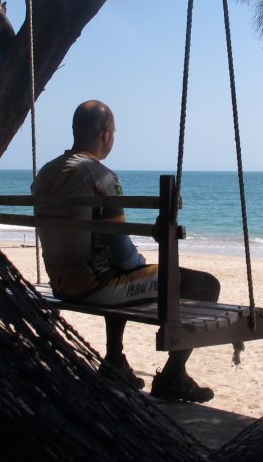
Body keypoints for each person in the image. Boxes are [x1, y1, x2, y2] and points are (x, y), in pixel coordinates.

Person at [31, 100, 220, 403]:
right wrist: (140, 262)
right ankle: (173, 375)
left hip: (60, 283)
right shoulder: (102, 176)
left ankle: (115, 361)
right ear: (106, 134)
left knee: (118, 270)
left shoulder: (45, 173)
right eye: (114, 132)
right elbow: (124, 255)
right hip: (93, 287)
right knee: (206, 284)